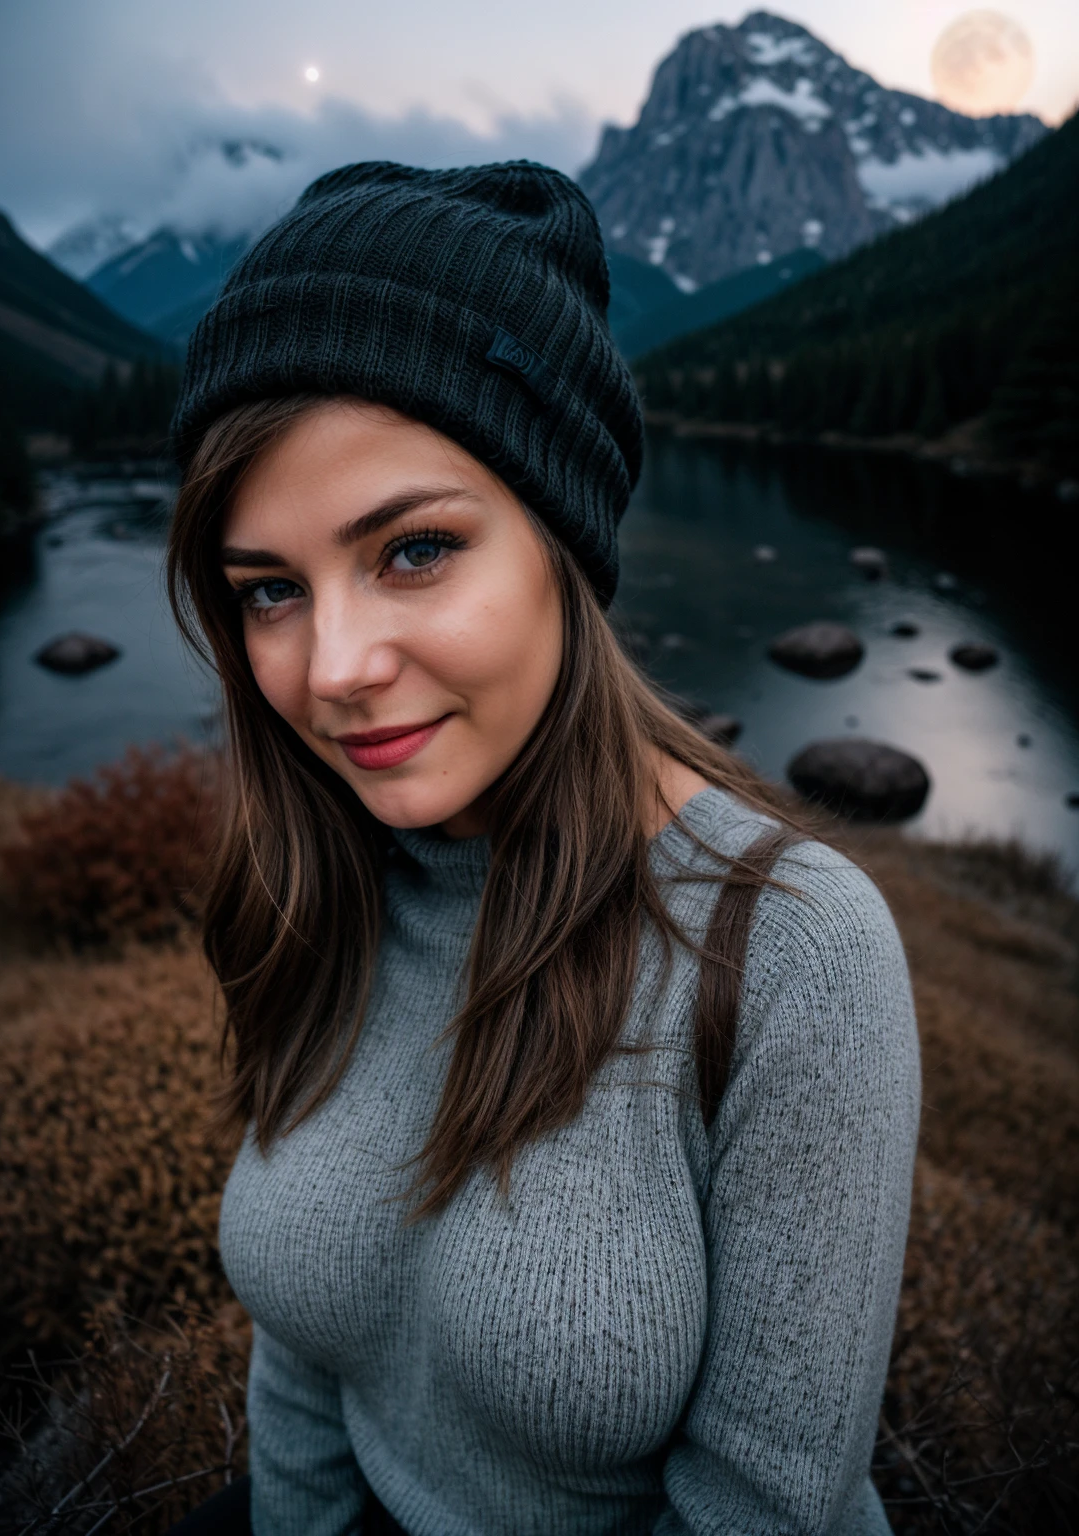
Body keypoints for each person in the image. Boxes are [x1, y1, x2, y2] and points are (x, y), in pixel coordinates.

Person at [165, 160, 920, 1536]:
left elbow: (767, 1508)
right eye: (270, 590)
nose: (332, 669)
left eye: (412, 552)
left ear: (564, 542)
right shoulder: (327, 876)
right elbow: (307, 1368)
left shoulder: (797, 949)